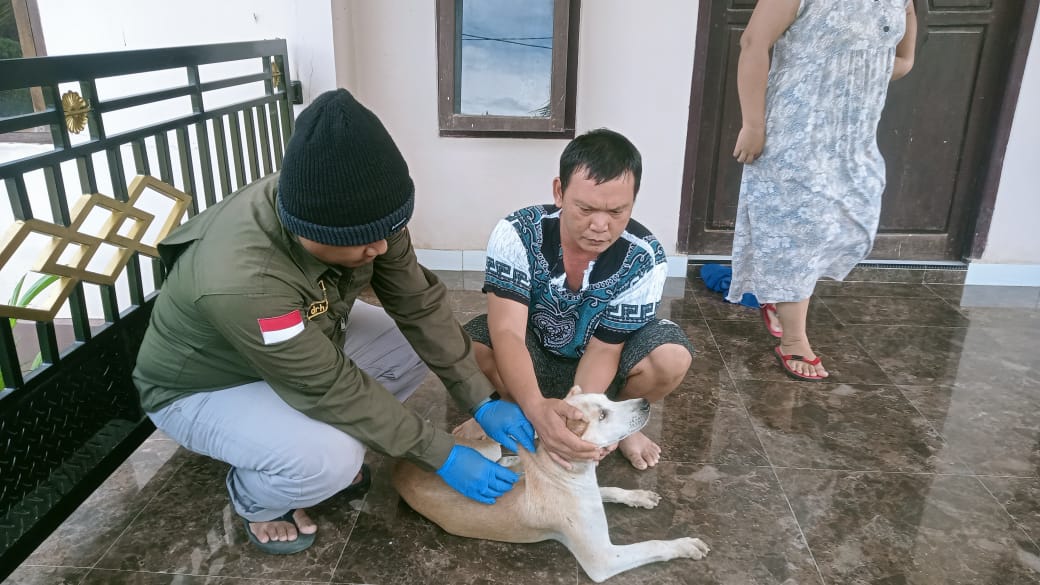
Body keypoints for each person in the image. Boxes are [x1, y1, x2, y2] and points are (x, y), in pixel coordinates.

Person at [132, 89, 536, 555]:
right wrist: (440, 454)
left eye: (388, 233)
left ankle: (304, 438)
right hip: (206, 384)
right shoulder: (244, 281)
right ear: (310, 231)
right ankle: (257, 499)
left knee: (408, 348)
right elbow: (328, 385)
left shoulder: (361, 210)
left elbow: (418, 305)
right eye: (365, 242)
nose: (380, 249)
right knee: (331, 461)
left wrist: (480, 397)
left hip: (302, 340)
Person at [458, 128, 694, 471]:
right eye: (585, 208)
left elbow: (605, 349)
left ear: (633, 201)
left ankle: (616, 423)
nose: (600, 225)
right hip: (534, 350)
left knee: (671, 357)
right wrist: (538, 408)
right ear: (559, 192)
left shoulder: (645, 258)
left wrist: (578, 417)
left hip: (602, 363)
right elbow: (508, 333)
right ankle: (505, 410)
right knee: (468, 348)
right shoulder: (518, 233)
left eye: (617, 211)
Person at [728, 0, 917, 380]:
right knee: (804, 230)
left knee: (850, 223)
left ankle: (781, 293)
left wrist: (860, 70)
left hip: (854, 136)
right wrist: (753, 125)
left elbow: (902, 57)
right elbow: (753, 43)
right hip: (798, 130)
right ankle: (794, 339)